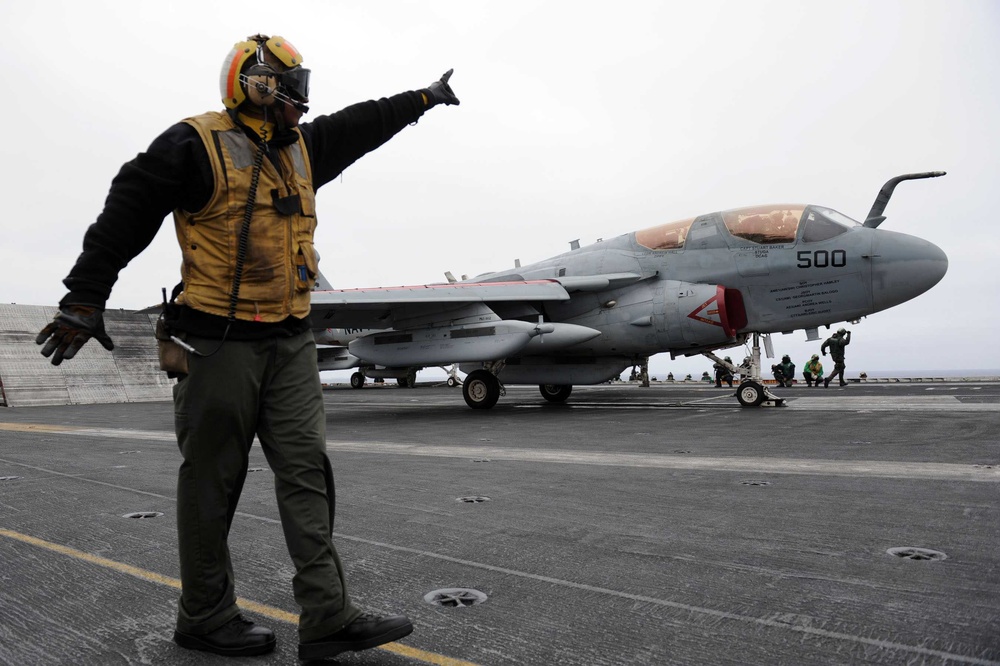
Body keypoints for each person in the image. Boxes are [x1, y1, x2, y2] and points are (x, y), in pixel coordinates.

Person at [35, 34, 459, 661]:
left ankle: (328, 617)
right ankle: (204, 615)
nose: (304, 100)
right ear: (259, 83)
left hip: (290, 339)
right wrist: (84, 296)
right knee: (211, 483)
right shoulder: (193, 142)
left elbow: (363, 124)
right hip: (215, 341)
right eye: (294, 86)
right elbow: (129, 205)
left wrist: (423, 97)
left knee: (307, 474)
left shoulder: (303, 149)